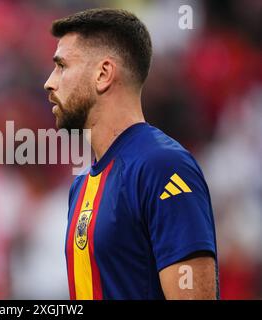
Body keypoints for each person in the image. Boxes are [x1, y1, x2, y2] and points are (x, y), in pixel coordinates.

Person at [44, 8, 218, 300]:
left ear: (103, 74)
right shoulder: (81, 185)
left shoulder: (163, 166)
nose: (49, 82)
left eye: (62, 66)